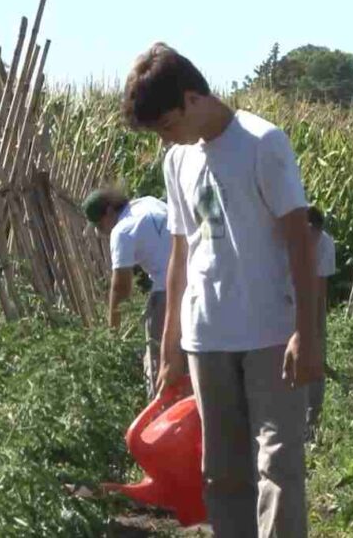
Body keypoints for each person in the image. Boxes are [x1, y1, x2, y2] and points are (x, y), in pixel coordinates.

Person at [123, 42, 322, 537]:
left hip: (270, 332)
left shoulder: (262, 142)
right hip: (207, 337)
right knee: (222, 472)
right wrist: (170, 344)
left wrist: (306, 330)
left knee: (278, 465)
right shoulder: (177, 160)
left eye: (167, 125)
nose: (166, 138)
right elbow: (181, 252)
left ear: (193, 98)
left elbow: (299, 242)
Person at [83, 188, 179, 399]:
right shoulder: (149, 202)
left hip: (167, 290)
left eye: (99, 225)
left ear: (109, 212)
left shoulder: (122, 231)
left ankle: (162, 408)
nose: (100, 231)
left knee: (157, 361)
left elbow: (121, 288)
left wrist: (113, 333)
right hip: (194, 282)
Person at [305, 205, 336, 441]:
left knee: (316, 358)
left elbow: (320, 289)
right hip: (281, 302)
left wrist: (315, 327)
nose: (313, 241)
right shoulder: (282, 238)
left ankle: (312, 422)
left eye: (316, 236)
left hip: (310, 299)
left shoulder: (325, 244)